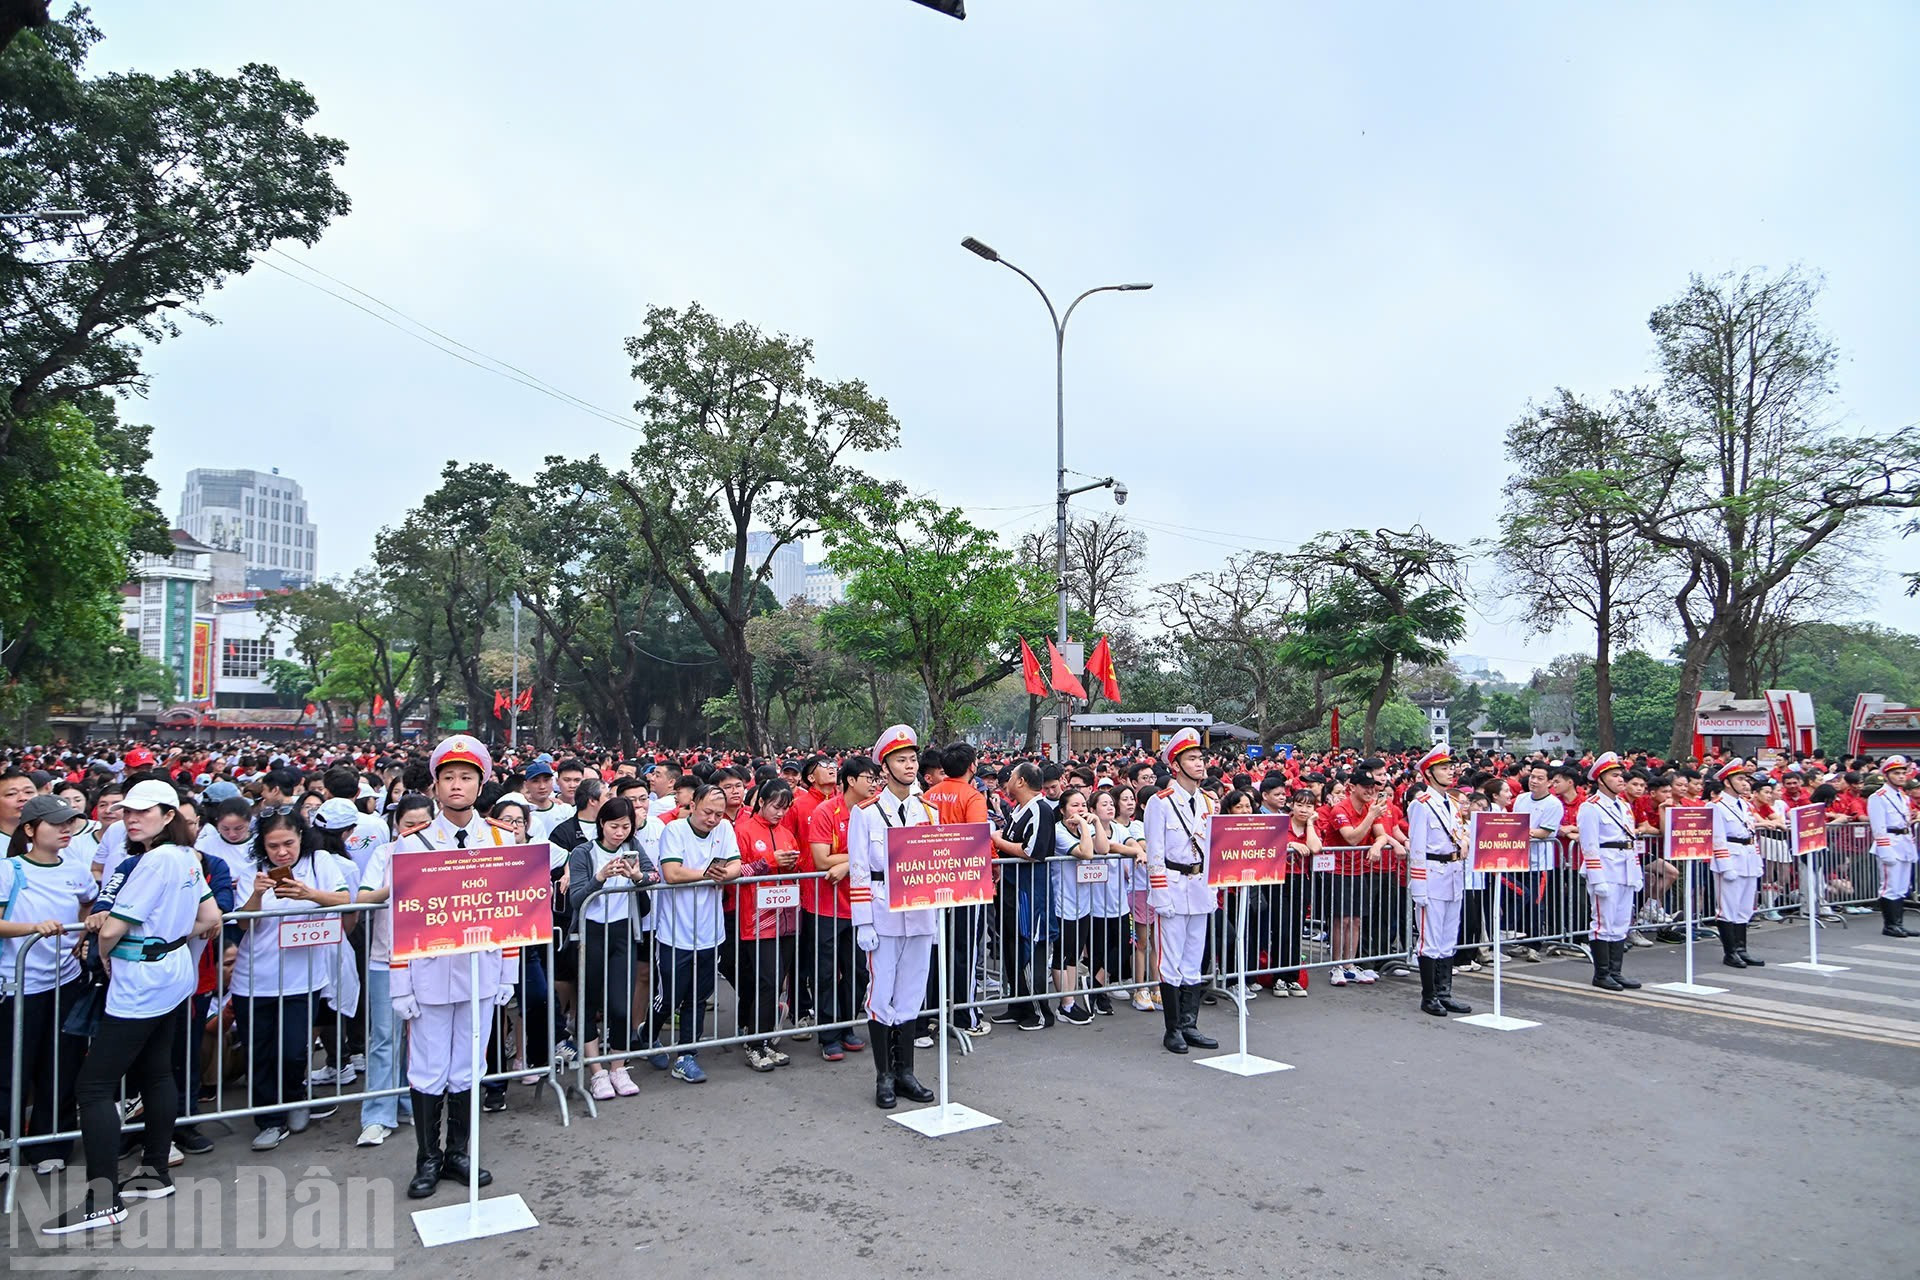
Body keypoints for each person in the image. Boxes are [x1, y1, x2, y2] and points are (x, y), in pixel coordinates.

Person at [45, 780, 222, 1234]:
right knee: (156, 1070)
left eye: (143, 811)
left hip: (142, 977)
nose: (131, 818)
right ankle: (155, 1171)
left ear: (168, 815)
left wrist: (105, 948)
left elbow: (111, 929)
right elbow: (209, 919)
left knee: (95, 1085)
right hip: (171, 967)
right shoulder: (184, 855)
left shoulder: (158, 859)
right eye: (127, 811)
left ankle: (102, 1199)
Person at [389, 735, 517, 1201]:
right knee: (427, 1068)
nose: (457, 785)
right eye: (448, 778)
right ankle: (427, 1158)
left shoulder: (501, 840)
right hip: (428, 973)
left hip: (482, 970)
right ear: (436, 786)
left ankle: (460, 1151)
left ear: (481, 783)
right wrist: (399, 982)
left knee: (468, 1065)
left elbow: (511, 914)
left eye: (466, 777)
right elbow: (399, 921)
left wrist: (508, 973)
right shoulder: (412, 845)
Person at [230, 810, 355, 1151]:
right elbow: (243, 925)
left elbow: (344, 900)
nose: (281, 852)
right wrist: (256, 895)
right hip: (254, 978)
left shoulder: (321, 862)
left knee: (293, 1049)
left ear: (302, 836)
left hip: (304, 977)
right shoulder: (251, 870)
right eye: (273, 846)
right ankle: (269, 1119)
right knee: (260, 1051)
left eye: (288, 843)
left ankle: (295, 1096)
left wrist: (308, 894)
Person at [0, 795, 96, 1176]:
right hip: (18, 986)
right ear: (30, 830)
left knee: (60, 1065)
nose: (65, 829)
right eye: (56, 823)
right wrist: (32, 929)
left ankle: (50, 1144)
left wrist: (82, 935)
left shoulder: (75, 868)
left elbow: (90, 904)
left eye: (69, 822)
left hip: (66, 983)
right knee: (11, 1069)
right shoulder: (9, 869)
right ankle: (6, 1146)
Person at [847, 724, 938, 1109]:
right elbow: (858, 869)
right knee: (881, 993)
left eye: (912, 759)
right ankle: (884, 1075)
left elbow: (937, 862)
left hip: (919, 913)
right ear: (884, 768)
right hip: (883, 909)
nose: (909, 765)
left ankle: (906, 1073)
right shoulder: (865, 813)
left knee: (912, 993)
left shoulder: (929, 811)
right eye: (900, 760)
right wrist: (863, 920)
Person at [567, 795, 661, 1098]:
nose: (619, 833)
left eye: (625, 827)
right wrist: (600, 877)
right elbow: (576, 898)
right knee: (589, 1002)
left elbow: (652, 876)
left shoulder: (632, 850)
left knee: (621, 1004)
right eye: (613, 826)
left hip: (623, 931)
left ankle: (618, 1066)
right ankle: (596, 1071)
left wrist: (637, 876)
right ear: (601, 824)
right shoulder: (583, 852)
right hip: (590, 933)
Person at [353, 794, 433, 1147]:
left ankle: (410, 1101)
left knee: (422, 1039)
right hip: (386, 958)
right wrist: (400, 884)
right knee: (385, 1038)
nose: (415, 831)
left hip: (431, 959)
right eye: (408, 825)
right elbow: (363, 897)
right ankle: (377, 1114)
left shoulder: (443, 855)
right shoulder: (384, 855)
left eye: (423, 824)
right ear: (395, 826)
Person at [650, 783, 739, 1084]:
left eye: (718, 813)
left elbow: (736, 865)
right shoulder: (674, 831)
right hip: (675, 929)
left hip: (710, 930)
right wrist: (707, 874)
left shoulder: (725, 830)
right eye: (707, 812)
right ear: (693, 805)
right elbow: (672, 873)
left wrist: (723, 874)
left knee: (699, 996)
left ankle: (687, 1055)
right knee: (670, 995)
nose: (713, 819)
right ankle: (647, 1032)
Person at [1144, 728, 1220, 1055]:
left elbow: (1211, 847)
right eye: (1192, 758)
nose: (1200, 764)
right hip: (1172, 888)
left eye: (1201, 758)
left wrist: (1213, 887)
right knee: (1170, 961)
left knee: (1193, 960)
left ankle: (1190, 1025)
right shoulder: (1159, 803)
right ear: (1176, 765)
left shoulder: (1206, 801)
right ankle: (1172, 1029)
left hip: (1200, 887)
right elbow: (1155, 853)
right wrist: (1159, 894)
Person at [804, 756, 875, 1062]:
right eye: (868, 778)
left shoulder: (872, 813)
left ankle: (848, 1026)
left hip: (860, 904)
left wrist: (846, 863)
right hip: (825, 906)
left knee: (859, 971)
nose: (873, 783)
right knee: (827, 972)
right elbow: (821, 860)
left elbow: (878, 852)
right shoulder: (826, 812)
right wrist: (855, 860)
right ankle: (829, 1034)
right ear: (850, 781)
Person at [730, 781, 800, 1072]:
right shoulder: (743, 831)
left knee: (776, 982)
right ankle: (754, 1042)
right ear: (761, 803)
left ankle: (767, 1039)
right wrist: (771, 861)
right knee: (766, 981)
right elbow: (737, 870)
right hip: (756, 919)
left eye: (784, 808)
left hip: (785, 917)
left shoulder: (786, 833)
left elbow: (796, 867)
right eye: (775, 806)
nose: (779, 813)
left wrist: (791, 864)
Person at [1406, 748, 1473, 1018]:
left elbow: (1459, 834)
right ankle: (1429, 995)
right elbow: (1418, 849)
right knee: (1430, 940)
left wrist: (1465, 842)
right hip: (1432, 874)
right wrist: (1419, 886)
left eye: (1450, 767)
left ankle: (1445, 992)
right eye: (1444, 768)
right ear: (1429, 773)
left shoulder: (1453, 804)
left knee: (1447, 939)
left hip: (1453, 873)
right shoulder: (1420, 804)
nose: (1450, 771)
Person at [1578, 752, 1643, 992]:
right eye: (1614, 776)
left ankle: (1616, 971)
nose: (1620, 780)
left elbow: (1630, 840)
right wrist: (1597, 877)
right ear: (1600, 779)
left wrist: (1636, 873)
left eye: (1620, 775)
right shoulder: (1591, 807)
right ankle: (1602, 973)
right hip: (1605, 868)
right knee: (1603, 922)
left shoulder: (1624, 806)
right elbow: (1590, 845)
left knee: (1621, 922)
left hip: (1625, 867)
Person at [1709, 760, 1769, 968]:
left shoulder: (1744, 804)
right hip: (1731, 858)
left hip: (1748, 856)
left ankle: (1742, 948)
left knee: (1745, 907)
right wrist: (1725, 865)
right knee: (1728, 907)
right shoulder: (1716, 806)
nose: (1745, 784)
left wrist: (1757, 860)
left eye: (1746, 780)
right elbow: (1717, 837)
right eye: (1740, 779)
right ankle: (1730, 951)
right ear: (1727, 782)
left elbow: (1751, 833)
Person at [1868, 756, 1916, 938]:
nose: (1902, 776)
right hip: (1890, 842)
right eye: (1896, 773)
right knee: (1890, 885)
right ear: (1887, 775)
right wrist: (1884, 848)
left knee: (1902, 886)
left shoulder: (1903, 796)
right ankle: (1890, 925)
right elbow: (1878, 826)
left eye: (1903, 773)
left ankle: (1899, 924)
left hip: (1904, 842)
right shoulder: (1878, 797)